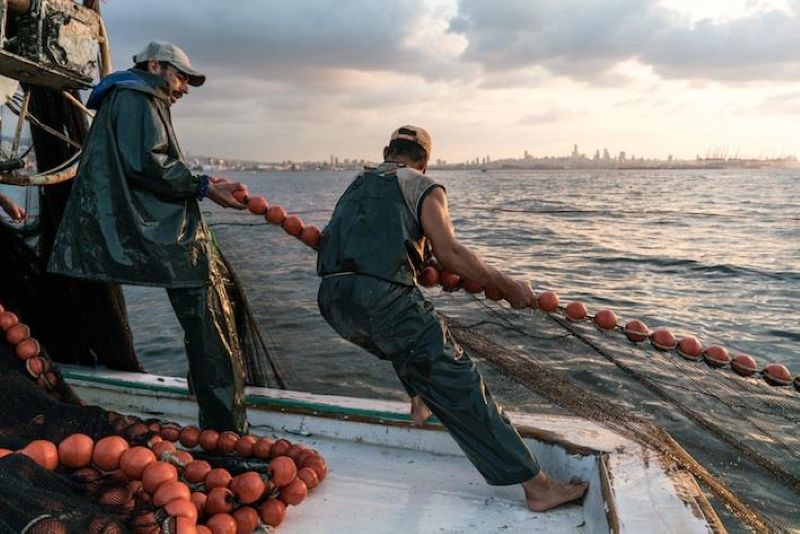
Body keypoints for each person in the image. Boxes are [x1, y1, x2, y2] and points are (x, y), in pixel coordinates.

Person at [316, 125, 588, 511]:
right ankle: (538, 487)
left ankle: (419, 397)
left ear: (385, 152)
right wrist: (507, 285)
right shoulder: (423, 186)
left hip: (332, 300)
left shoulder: (357, 183)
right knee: (458, 379)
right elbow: (450, 252)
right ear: (424, 162)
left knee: (402, 342)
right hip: (381, 298)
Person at [48, 41, 249, 433]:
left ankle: (211, 406)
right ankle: (226, 434)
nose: (185, 87)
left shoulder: (127, 96)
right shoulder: (138, 96)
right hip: (165, 232)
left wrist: (202, 184)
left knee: (211, 318)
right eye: (181, 76)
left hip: (149, 223)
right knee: (210, 327)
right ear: (155, 65)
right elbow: (149, 164)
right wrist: (205, 186)